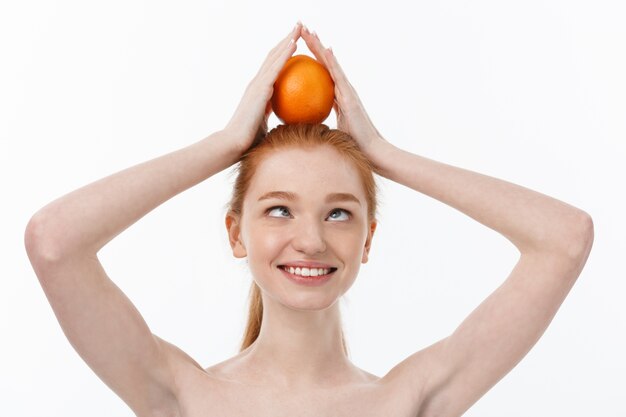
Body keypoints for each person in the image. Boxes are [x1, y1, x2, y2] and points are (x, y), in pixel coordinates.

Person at [24, 22, 594, 416]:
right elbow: (54, 243)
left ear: (368, 238)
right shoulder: (179, 393)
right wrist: (225, 143)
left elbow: (564, 240)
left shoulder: (406, 399)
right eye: (278, 209)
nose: (311, 239)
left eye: (339, 213)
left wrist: (384, 152)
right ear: (235, 232)